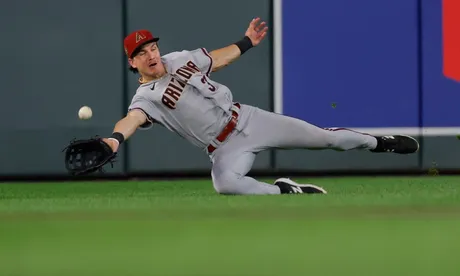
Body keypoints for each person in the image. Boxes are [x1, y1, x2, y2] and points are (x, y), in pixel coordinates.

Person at [102, 17, 419, 195]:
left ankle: (378, 142)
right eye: (143, 53)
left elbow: (218, 58)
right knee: (225, 184)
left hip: (248, 120)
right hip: (222, 148)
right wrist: (114, 140)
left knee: (327, 139)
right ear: (132, 62)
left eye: (153, 47)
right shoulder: (146, 98)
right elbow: (131, 119)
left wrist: (246, 43)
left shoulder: (179, 59)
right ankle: (286, 191)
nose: (152, 54)